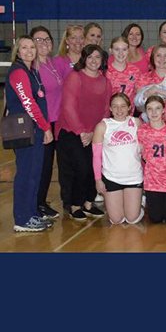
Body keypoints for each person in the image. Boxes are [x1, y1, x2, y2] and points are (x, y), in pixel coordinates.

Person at [5, 36, 54, 232]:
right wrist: (45, 126)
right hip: (26, 131)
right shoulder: (18, 71)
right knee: (26, 174)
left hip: (35, 130)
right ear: (17, 50)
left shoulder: (32, 71)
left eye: (32, 47)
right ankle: (22, 219)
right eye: (24, 47)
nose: (29, 51)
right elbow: (28, 103)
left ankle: (31, 213)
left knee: (34, 173)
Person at [56, 44, 110, 221]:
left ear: (102, 60)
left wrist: (94, 131)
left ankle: (88, 203)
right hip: (72, 132)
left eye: (97, 57)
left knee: (93, 168)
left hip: (93, 133)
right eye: (90, 57)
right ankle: (74, 204)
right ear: (84, 59)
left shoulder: (105, 81)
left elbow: (105, 109)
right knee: (79, 168)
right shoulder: (75, 77)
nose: (94, 60)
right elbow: (68, 107)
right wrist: (81, 131)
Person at [92, 93, 143, 225]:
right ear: (110, 108)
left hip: (134, 178)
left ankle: (138, 206)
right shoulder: (102, 126)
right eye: (115, 106)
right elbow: (96, 157)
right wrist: (98, 180)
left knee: (131, 219)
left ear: (129, 108)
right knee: (116, 220)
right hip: (111, 178)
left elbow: (144, 151)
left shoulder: (136, 123)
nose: (119, 110)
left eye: (123, 106)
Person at [30, 26, 64, 219]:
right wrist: (42, 126)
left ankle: (41, 201)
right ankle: (37, 204)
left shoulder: (51, 63)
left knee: (48, 166)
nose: (44, 43)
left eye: (47, 39)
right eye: (39, 39)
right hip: (43, 124)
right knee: (40, 166)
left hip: (56, 121)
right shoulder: (32, 68)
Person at [137, 96, 166, 223]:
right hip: (152, 179)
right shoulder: (142, 130)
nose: (154, 112)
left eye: (157, 108)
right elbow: (139, 152)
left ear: (164, 110)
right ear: (145, 111)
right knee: (155, 218)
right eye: (150, 109)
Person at [106, 36, 142, 110]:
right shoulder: (105, 71)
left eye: (124, 49)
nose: (121, 53)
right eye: (117, 49)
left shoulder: (135, 71)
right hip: (111, 115)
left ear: (128, 50)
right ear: (111, 51)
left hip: (129, 116)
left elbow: (140, 94)